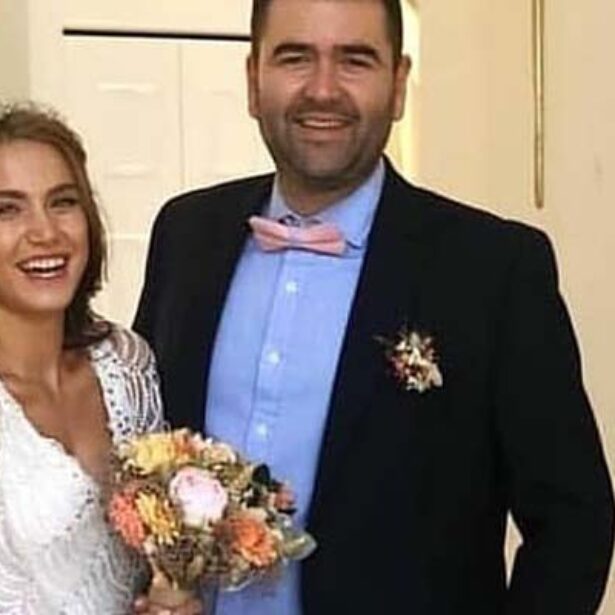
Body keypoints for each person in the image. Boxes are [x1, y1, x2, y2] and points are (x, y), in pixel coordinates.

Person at [134, 1, 615, 613]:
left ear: (399, 84)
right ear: (253, 80)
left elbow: (573, 521)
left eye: (355, 60)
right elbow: (138, 456)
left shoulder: (493, 270)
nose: (323, 89)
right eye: (295, 57)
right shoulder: (186, 235)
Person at [0, 103, 201, 615]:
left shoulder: (126, 363)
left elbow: (156, 552)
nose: (45, 232)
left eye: (63, 202)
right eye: (8, 209)